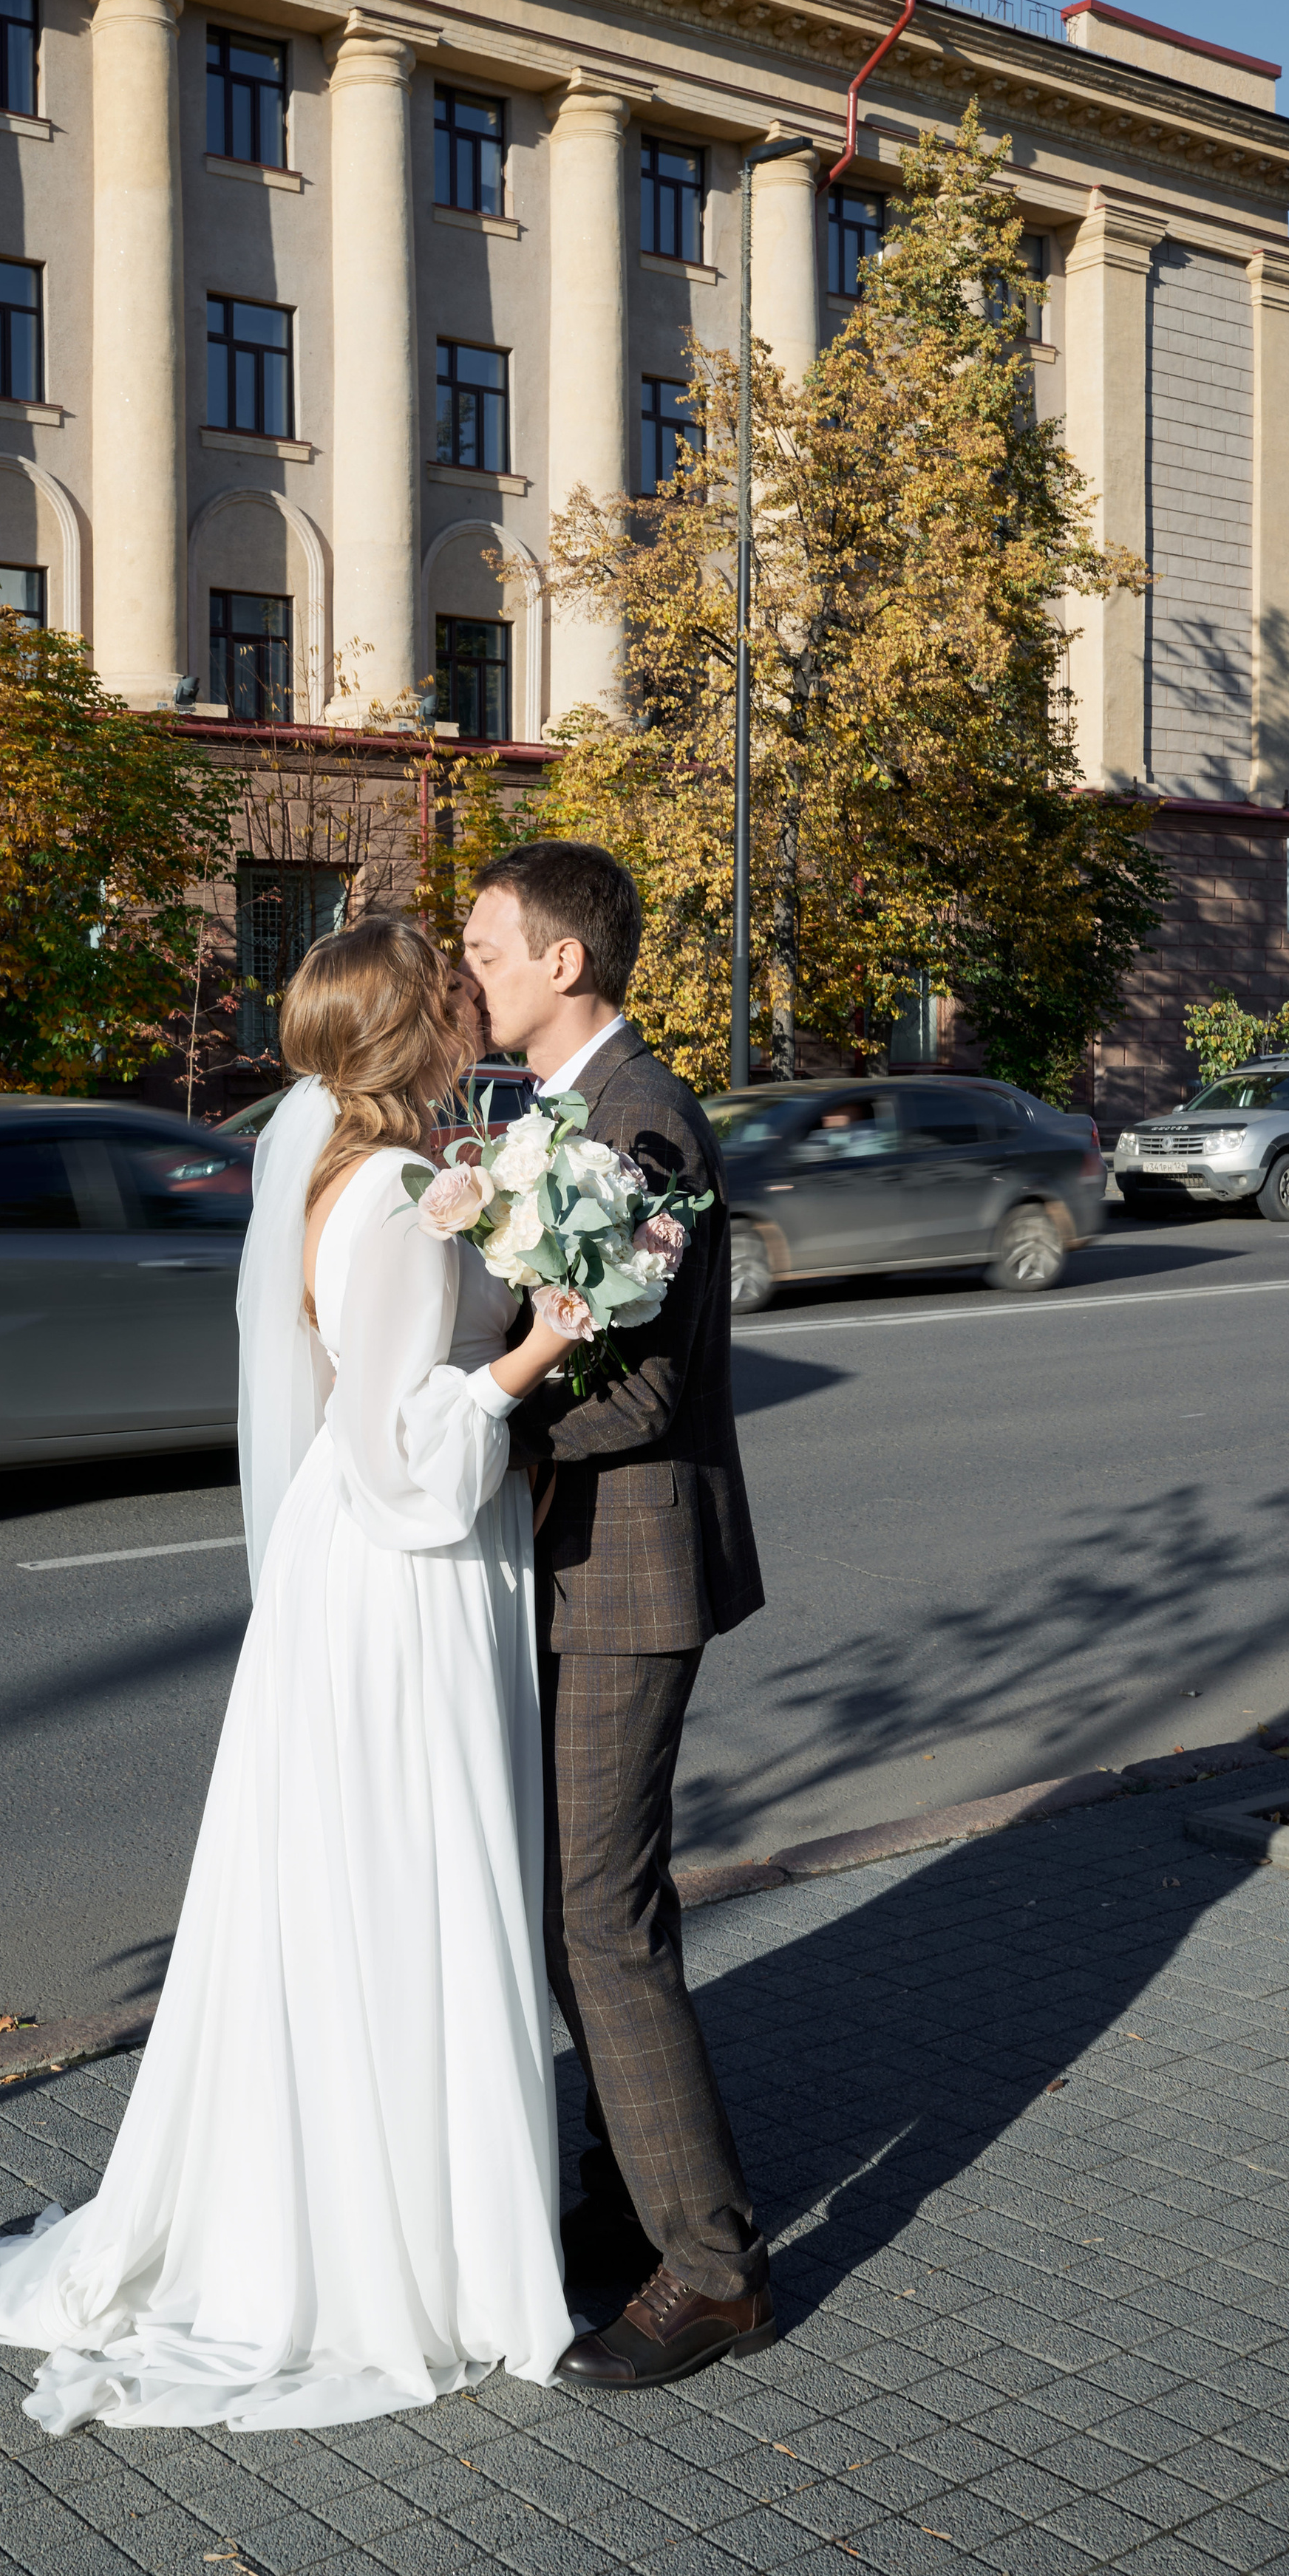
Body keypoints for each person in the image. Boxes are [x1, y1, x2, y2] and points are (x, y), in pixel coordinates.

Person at [0, 915, 577, 2431]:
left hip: (359, 1584)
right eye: (454, 993)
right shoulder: (398, 1195)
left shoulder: (349, 1170)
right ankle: (396, 2252)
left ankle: (390, 2207)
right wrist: (530, 1349)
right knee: (401, 1880)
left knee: (356, 1891)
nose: (475, 1007)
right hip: (402, 1583)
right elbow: (402, 1459)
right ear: (420, 1029)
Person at [460, 842, 773, 2390]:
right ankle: (627, 2202)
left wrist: (475, 1419)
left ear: (565, 962)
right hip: (577, 1561)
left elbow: (637, 1387)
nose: (473, 970)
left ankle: (710, 2269)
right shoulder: (567, 1114)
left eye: (490, 949)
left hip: (629, 1568)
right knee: (563, 1912)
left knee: (600, 1920)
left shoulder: (637, 1120)